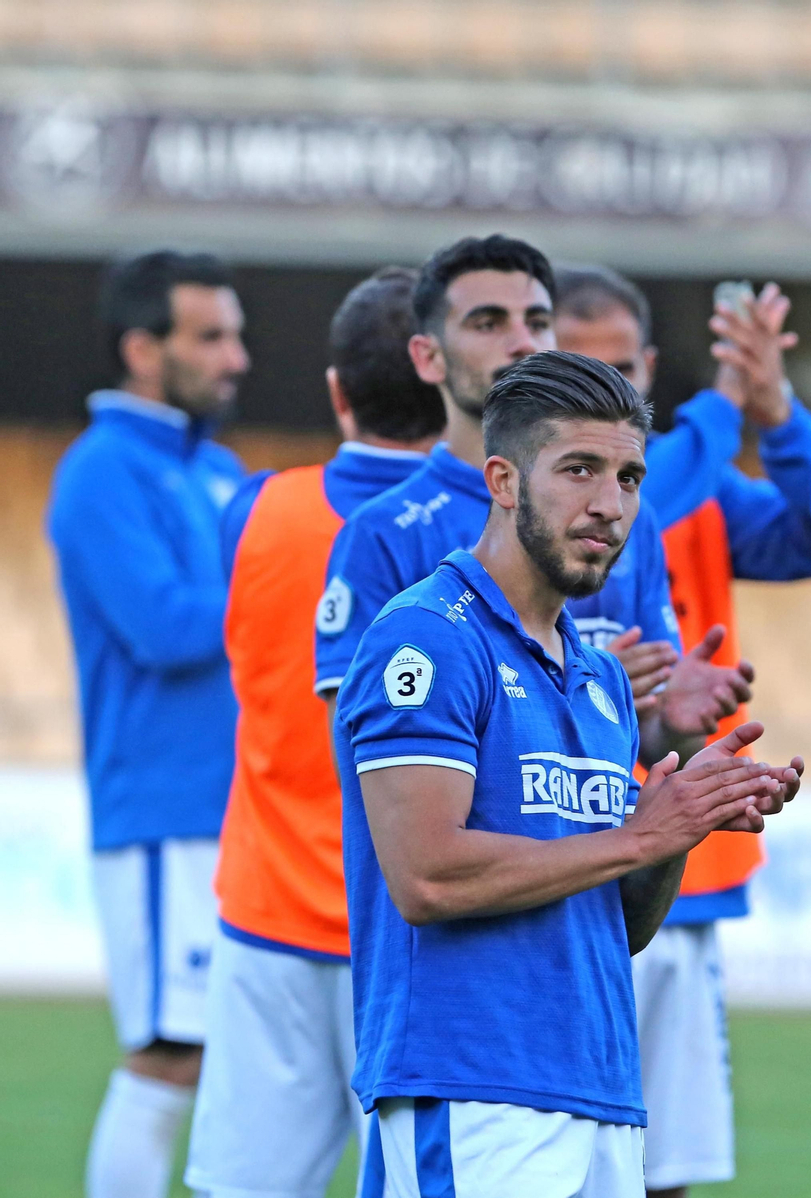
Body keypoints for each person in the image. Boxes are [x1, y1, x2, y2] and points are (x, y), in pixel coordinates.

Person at [333, 350, 802, 1196]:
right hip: (473, 1087)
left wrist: (674, 829)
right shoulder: (428, 638)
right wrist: (639, 834)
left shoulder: (600, 675)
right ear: (504, 480)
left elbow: (615, 924)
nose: (609, 504)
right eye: (579, 469)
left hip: (600, 1089)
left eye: (628, 476)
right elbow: (426, 877)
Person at [555, 266, 811, 1198]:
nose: (599, 401)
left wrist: (776, 410)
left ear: (649, 368)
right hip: (560, 852)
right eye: (571, 374)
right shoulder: (605, 493)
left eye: (617, 373)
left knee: (668, 1166)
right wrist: (722, 411)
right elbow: (647, 485)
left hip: (674, 865)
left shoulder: (695, 492)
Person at [184, 267, 443, 1198]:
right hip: (422, 929)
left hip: (270, 915)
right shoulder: (483, 533)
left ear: (338, 392)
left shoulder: (253, 510)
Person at [316, 238, 745, 765]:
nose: (523, 342)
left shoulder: (627, 515)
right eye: (488, 323)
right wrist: (573, 692)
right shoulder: (385, 532)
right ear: (428, 357)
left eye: (539, 322)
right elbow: (362, 765)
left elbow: (648, 748)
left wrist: (676, 726)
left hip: (594, 845)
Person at [46, 250, 249, 1198]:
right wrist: (282, 584)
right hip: (166, 811)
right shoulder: (100, 471)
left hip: (240, 808)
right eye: (209, 336)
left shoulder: (214, 468)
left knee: (242, 1066)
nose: (235, 357)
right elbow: (165, 626)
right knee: (174, 1059)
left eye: (235, 333)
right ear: (141, 348)